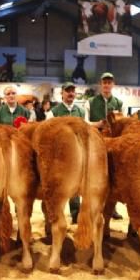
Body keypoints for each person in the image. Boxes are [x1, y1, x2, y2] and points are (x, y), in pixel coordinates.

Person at [84, 72, 124, 220]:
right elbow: (85, 121)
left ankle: (111, 208)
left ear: (113, 84)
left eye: (109, 82)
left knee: (113, 174)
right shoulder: (91, 102)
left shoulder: (119, 103)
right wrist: (98, 124)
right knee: (93, 174)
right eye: (104, 82)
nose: (107, 85)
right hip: (95, 142)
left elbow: (122, 122)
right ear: (100, 84)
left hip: (113, 143)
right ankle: (91, 206)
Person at [46, 83, 86, 224]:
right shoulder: (53, 112)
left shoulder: (81, 111)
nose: (70, 94)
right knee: (58, 184)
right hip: (59, 154)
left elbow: (85, 130)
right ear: (61, 93)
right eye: (67, 91)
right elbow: (47, 133)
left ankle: (75, 213)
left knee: (75, 183)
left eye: (72, 91)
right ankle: (57, 214)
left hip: (77, 153)